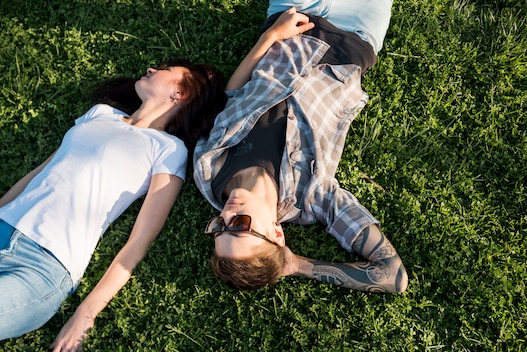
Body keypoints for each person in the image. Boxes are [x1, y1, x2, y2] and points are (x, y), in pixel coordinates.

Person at [0, 59, 227, 350]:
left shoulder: (169, 149)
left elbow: (137, 243)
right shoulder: (100, 114)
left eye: (164, 70)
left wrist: (85, 315)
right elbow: (39, 172)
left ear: (180, 94)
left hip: (44, 266)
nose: (150, 68)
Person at [193, 0, 408, 293]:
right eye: (241, 226)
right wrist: (294, 265)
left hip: (292, 17)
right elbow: (392, 276)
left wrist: (269, 37)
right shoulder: (313, 197)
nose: (227, 215)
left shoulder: (208, 168)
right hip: (355, 34)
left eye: (219, 227)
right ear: (276, 233)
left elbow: (232, 95)